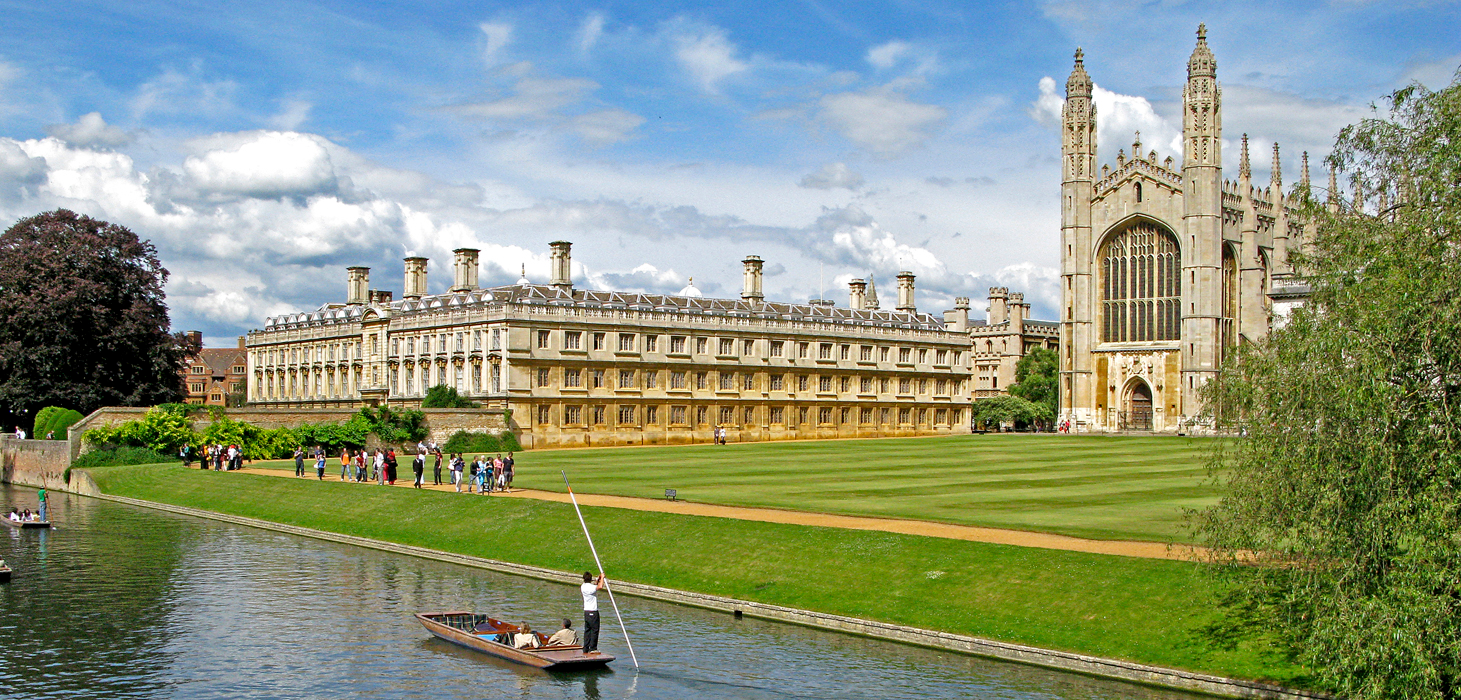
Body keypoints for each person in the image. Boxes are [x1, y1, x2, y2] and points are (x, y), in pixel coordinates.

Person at [581, 571, 605, 654]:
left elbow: (595, 586)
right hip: (593, 611)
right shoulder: (590, 587)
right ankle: (593, 648)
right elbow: (600, 587)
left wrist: (598, 579)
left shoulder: (583, 586)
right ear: (590, 579)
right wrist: (602, 578)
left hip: (586, 612)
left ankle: (586, 648)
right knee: (595, 630)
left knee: (587, 630)